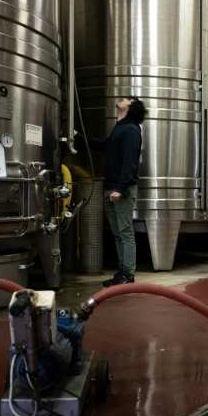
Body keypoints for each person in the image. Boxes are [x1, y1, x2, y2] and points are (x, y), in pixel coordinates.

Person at [73, 97, 146, 287]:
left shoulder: (130, 130)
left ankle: (128, 274)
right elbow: (102, 145)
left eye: (127, 99)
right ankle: (122, 272)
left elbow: (130, 163)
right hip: (111, 188)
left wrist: (120, 189)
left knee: (125, 231)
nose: (122, 99)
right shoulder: (119, 128)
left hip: (121, 190)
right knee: (117, 232)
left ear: (130, 108)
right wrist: (78, 136)